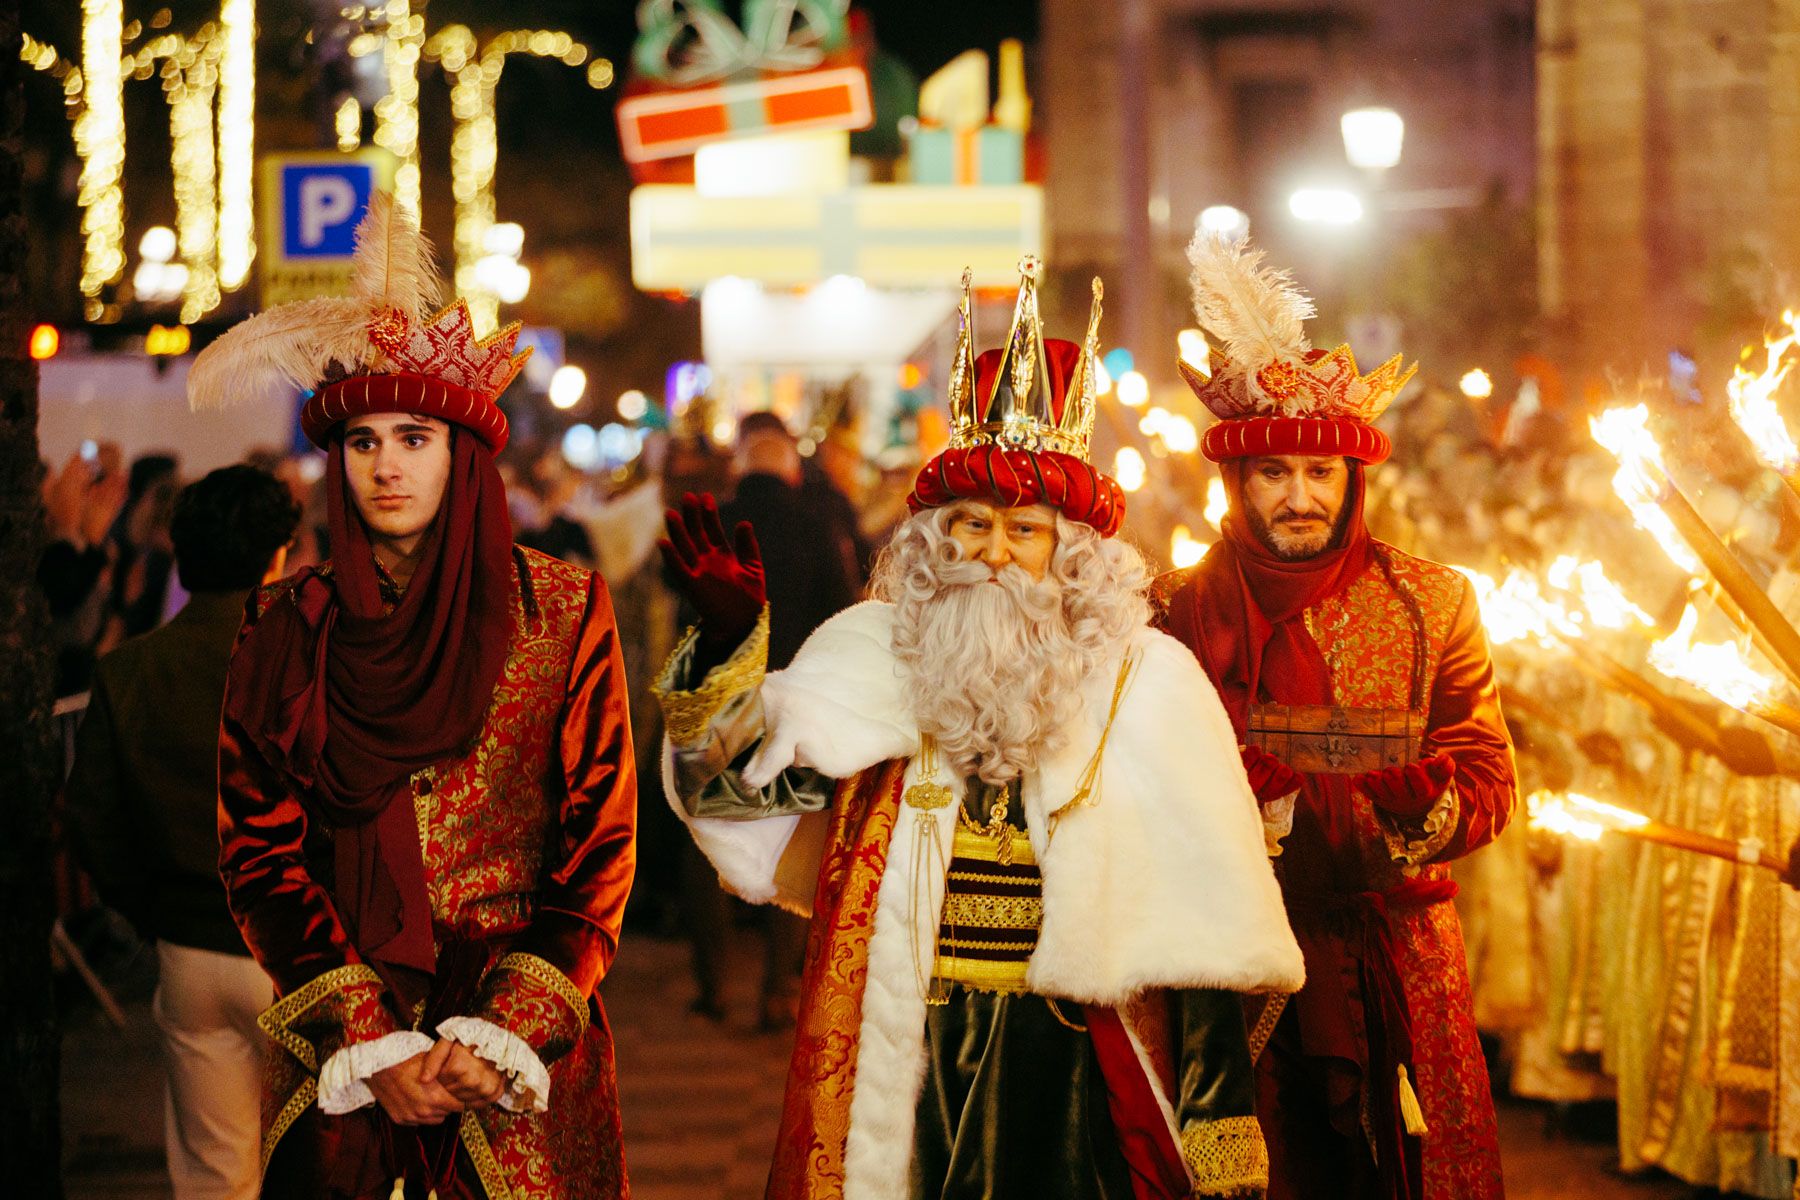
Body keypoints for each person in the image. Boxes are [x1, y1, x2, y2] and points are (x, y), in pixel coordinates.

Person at [654, 261, 1303, 1199]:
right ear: (935, 542)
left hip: (1081, 1067)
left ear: (1069, 555)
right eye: (971, 524)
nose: (994, 553)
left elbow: (1203, 925)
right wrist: (724, 652)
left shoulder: (1148, 683)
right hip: (908, 1052)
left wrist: (1218, 1121)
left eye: (1024, 530)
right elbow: (735, 800)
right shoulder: (872, 655)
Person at [188, 193, 637, 1200]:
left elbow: (600, 843)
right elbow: (257, 850)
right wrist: (367, 1039)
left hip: (520, 1056)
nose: (386, 465)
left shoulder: (563, 609)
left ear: (462, 454)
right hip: (348, 1061)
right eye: (363, 443)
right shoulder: (286, 625)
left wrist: (503, 1031)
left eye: (414, 438)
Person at [1152, 234, 1517, 1200]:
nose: (1300, 497)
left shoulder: (1433, 601)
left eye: (1321, 473)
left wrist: (1428, 809)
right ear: (1238, 482)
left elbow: (1489, 772)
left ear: (1354, 480)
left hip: (1393, 948)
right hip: (1222, 959)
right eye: (1274, 473)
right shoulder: (1170, 610)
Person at [63, 464, 301, 1200]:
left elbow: (92, 816)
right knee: (320, 1162)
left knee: (214, 1175)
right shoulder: (314, 663)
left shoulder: (130, 670)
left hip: (189, 947)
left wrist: (150, 911)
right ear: (277, 556)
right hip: (301, 946)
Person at [678, 411, 862, 1027]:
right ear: (790, 468)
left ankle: (713, 984)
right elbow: (843, 610)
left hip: (717, 699)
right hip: (792, 699)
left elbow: (680, 605)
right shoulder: (815, 525)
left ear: (740, 466)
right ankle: (778, 988)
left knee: (704, 838)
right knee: (790, 832)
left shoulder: (713, 522)